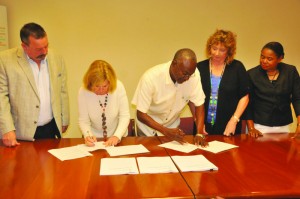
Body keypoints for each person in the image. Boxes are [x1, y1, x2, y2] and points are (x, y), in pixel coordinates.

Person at [0, 22, 69, 147]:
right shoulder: (5, 60)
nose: (45, 51)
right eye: (38, 49)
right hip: (21, 132)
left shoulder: (56, 57)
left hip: (50, 128)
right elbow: (1, 97)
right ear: (24, 46)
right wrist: (7, 129)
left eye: (46, 46)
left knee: (50, 166)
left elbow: (62, 89)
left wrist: (64, 118)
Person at [132, 48, 206, 145]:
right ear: (174, 63)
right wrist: (165, 131)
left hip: (172, 128)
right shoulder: (151, 77)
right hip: (147, 129)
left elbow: (199, 104)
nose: (187, 78)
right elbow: (141, 114)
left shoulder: (194, 75)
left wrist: (199, 133)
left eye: (190, 75)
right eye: (184, 74)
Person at [196, 29, 249, 136]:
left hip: (229, 125)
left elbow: (244, 96)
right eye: (214, 48)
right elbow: (192, 97)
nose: (216, 53)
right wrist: (198, 120)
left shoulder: (237, 67)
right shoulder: (199, 67)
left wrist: (234, 120)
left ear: (229, 51)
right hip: (202, 125)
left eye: (222, 50)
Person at [246, 42, 300, 138]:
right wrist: (251, 128)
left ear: (280, 58)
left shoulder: (290, 72)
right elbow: (248, 103)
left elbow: (297, 98)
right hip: (259, 126)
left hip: (284, 125)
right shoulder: (251, 74)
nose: (264, 61)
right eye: (262, 57)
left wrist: (299, 123)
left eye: (269, 59)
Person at [78, 60, 130, 147]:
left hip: (118, 137)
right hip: (95, 141)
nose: (101, 90)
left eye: (105, 86)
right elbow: (84, 120)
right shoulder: (83, 91)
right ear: (90, 84)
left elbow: (124, 116)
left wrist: (117, 136)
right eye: (97, 86)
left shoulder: (119, 86)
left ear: (110, 82)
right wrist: (88, 135)